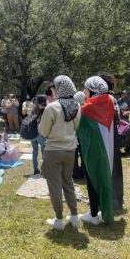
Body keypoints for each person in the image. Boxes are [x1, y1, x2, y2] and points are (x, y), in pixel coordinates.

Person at [39, 75, 81, 230]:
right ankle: (75, 216)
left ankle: (58, 219)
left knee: (55, 185)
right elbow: (77, 127)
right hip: (70, 150)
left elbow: (43, 131)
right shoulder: (77, 106)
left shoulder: (52, 107)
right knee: (68, 182)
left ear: (58, 89)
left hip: (53, 150)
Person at [78, 76, 115, 225]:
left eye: (86, 88)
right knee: (105, 180)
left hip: (92, 151)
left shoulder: (87, 107)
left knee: (92, 180)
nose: (84, 91)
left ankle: (93, 215)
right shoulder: (110, 101)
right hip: (109, 148)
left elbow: (79, 130)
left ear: (92, 90)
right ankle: (103, 211)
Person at [98, 71, 124, 212]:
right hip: (113, 133)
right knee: (115, 167)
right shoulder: (113, 98)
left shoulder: (104, 98)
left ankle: (108, 200)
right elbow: (118, 118)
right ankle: (116, 200)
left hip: (106, 134)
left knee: (108, 166)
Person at [30, 95, 46, 175]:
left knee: (35, 151)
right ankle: (44, 169)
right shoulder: (45, 109)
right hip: (41, 133)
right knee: (44, 152)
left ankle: (35, 169)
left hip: (33, 134)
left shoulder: (33, 109)